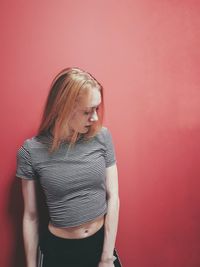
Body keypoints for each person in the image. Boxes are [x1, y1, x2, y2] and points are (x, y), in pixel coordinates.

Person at [16, 67, 122, 267]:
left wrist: (107, 257)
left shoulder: (102, 137)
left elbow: (113, 197)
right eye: (86, 111)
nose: (95, 118)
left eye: (96, 109)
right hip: (59, 253)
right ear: (63, 107)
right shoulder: (31, 151)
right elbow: (30, 216)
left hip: (101, 247)